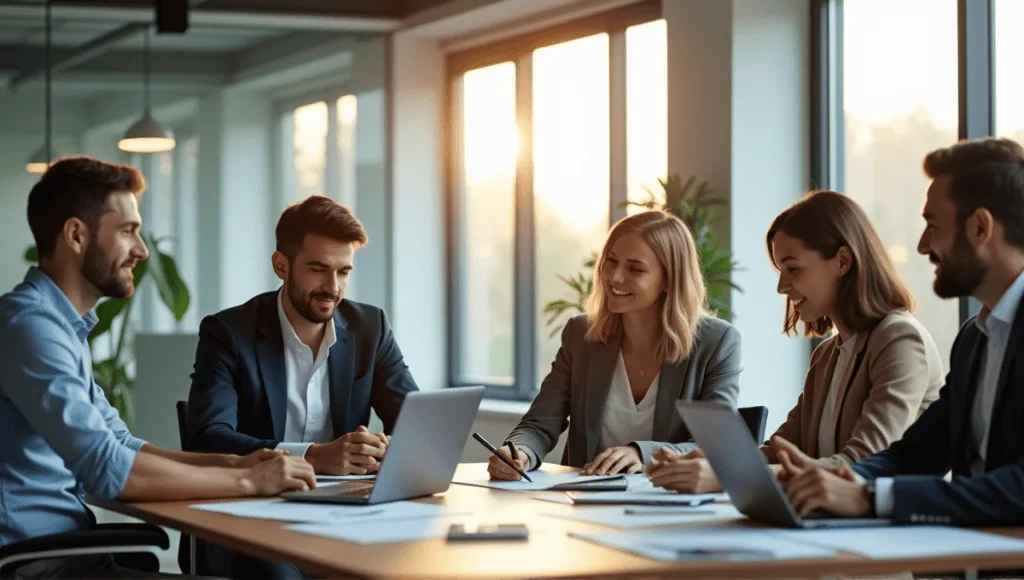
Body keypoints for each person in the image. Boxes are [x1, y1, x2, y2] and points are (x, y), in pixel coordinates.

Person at [0, 157, 315, 579]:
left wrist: (237, 466)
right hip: (40, 566)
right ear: (76, 235)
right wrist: (249, 484)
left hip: (65, 557)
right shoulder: (30, 327)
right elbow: (106, 467)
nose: (142, 250)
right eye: (128, 231)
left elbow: (120, 443)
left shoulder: (58, 326)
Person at [772, 137, 1024, 527]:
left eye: (933, 225)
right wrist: (843, 480)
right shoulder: (975, 340)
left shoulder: (905, 337)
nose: (923, 246)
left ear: (979, 227)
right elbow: (916, 453)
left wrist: (870, 496)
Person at [647, 190, 944, 494]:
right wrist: (717, 464)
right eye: (780, 270)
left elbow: (863, 462)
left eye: (793, 268)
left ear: (842, 261)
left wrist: (731, 476)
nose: (781, 286)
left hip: (884, 529)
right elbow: (784, 448)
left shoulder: (899, 339)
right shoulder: (828, 353)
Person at [187, 194, 419, 578]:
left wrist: (389, 450)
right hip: (252, 516)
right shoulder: (229, 332)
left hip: (347, 515)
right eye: (318, 269)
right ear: (281, 265)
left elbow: (417, 421)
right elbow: (208, 437)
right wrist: (312, 455)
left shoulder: (369, 328)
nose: (333, 287)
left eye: (344, 272)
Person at [487, 210, 742, 481]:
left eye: (636, 269)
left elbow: (715, 446)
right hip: (588, 505)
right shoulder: (580, 334)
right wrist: (520, 452)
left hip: (669, 505)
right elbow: (540, 423)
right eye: (611, 262)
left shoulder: (717, 342)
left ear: (669, 280)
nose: (615, 277)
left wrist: (641, 454)